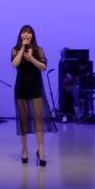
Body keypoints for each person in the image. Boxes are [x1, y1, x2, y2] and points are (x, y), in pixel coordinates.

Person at [12, 25, 56, 165]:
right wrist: (22, 48)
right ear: (20, 35)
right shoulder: (15, 49)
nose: (26, 35)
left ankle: (41, 152)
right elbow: (15, 64)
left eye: (29, 33)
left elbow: (43, 67)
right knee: (23, 120)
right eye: (24, 32)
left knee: (38, 120)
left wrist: (31, 58)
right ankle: (24, 150)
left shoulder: (38, 49)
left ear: (33, 35)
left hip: (36, 87)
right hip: (21, 87)